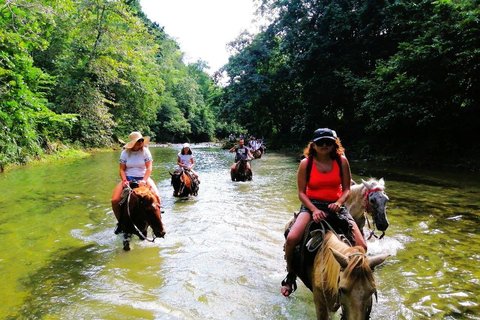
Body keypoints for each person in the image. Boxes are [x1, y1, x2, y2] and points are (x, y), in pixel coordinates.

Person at [281, 128, 367, 297]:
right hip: (311, 205)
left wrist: (339, 202)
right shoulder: (306, 163)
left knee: (362, 246)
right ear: (313, 145)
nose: (325, 145)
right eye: (320, 142)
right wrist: (313, 210)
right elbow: (301, 193)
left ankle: (360, 279)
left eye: (329, 142)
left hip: (336, 205)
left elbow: (347, 190)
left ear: (334, 144)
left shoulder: (341, 161)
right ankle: (291, 275)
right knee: (291, 239)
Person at [111, 131, 162, 234]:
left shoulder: (146, 151)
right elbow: (121, 170)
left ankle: (158, 223)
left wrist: (144, 180)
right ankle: (121, 223)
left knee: (156, 197)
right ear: (133, 143)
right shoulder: (125, 153)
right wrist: (124, 181)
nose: (141, 143)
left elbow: (149, 168)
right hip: (128, 178)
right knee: (115, 200)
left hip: (144, 178)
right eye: (139, 141)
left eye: (142, 140)